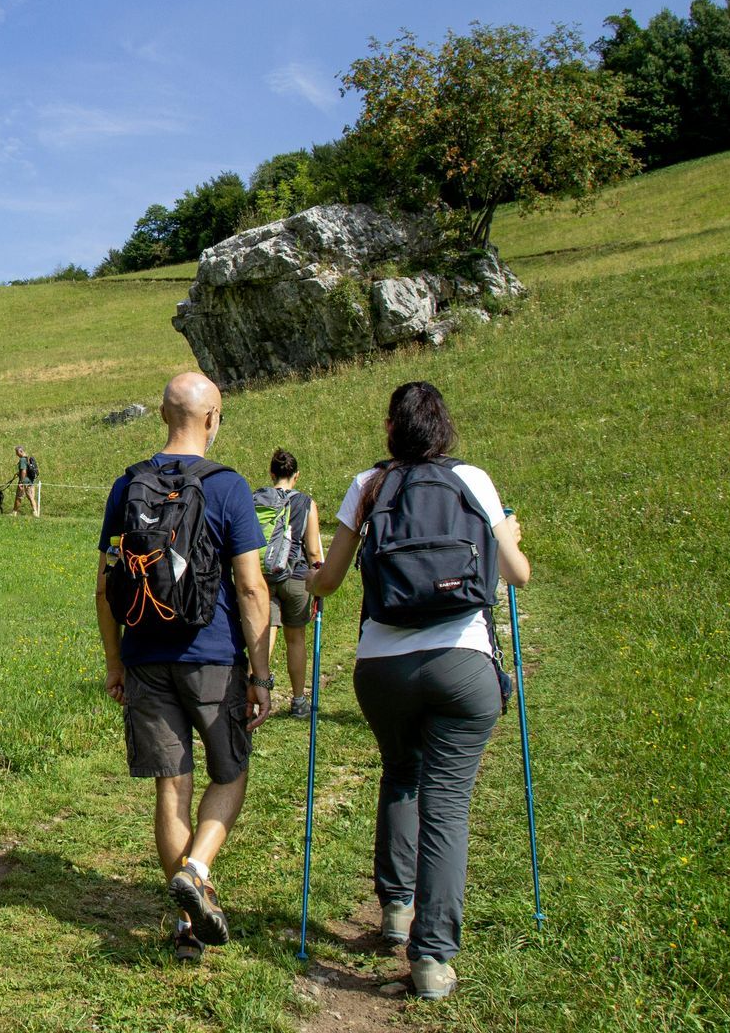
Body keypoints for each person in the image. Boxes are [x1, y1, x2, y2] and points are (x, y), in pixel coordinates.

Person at [305, 381, 531, 1002]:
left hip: (383, 665)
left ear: (390, 429)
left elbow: (327, 582)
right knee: (449, 804)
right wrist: (507, 530)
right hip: (463, 661)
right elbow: (518, 574)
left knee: (401, 773)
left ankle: (396, 911)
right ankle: (431, 959)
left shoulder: (368, 486)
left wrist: (310, 578)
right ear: (444, 428)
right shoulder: (473, 480)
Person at [96, 372, 275, 965]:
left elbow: (105, 586)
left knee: (171, 788)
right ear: (212, 417)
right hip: (213, 657)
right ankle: (198, 870)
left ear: (164, 417)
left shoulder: (128, 485)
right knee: (231, 773)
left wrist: (115, 660)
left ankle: (185, 925)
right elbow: (250, 587)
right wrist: (262, 673)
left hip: (146, 656)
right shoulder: (227, 487)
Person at [254, 449, 324, 717]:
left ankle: (256, 694)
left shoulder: (256, 499)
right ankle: (298, 701)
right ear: (296, 476)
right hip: (296, 577)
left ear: (272, 474)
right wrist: (319, 581)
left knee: (263, 636)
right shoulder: (307, 503)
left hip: (263, 576)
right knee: (296, 639)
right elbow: (315, 551)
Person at [13, 445, 41, 517]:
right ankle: (35, 513)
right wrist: (18, 473)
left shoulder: (22, 460)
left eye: (17, 452)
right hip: (31, 481)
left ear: (21, 451)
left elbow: (24, 471)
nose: (16, 454)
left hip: (24, 482)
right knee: (31, 497)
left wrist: (21, 482)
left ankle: (14, 513)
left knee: (19, 497)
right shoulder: (28, 458)